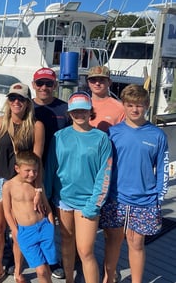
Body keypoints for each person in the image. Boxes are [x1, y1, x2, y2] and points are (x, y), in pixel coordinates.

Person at [100, 84, 169, 283]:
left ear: (146, 105)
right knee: (112, 241)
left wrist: (158, 197)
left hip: (145, 200)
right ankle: (108, 277)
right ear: (124, 106)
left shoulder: (157, 135)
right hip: (115, 197)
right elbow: (105, 167)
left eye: (139, 105)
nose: (134, 109)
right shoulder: (113, 133)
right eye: (130, 105)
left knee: (136, 243)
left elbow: (163, 168)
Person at [0, 82, 45, 283]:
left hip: (20, 184)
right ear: (8, 101)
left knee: (18, 229)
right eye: (12, 98)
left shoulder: (36, 126)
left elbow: (36, 161)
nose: (16, 102)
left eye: (21, 99)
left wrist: (38, 189)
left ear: (27, 102)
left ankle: (17, 270)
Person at [44, 91, 112, 283]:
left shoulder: (101, 138)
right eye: (75, 111)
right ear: (69, 113)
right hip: (62, 200)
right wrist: (47, 199)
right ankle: (69, 281)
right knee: (66, 243)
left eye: (83, 110)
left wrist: (94, 204)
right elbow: (50, 170)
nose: (79, 114)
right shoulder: (59, 137)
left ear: (90, 111)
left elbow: (104, 175)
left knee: (85, 250)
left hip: (88, 203)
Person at [32, 67, 70, 279]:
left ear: (55, 85)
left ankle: (59, 260)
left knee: (58, 219)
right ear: (33, 85)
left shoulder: (65, 108)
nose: (44, 87)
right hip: (33, 170)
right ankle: (28, 256)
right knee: (33, 217)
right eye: (40, 83)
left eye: (49, 83)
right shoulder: (25, 106)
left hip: (60, 172)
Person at [2, 150, 58, 283]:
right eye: (27, 170)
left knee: (47, 269)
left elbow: (47, 206)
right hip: (26, 233)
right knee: (40, 269)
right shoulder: (8, 186)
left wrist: (51, 224)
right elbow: (7, 211)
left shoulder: (37, 186)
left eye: (35, 171)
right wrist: (15, 231)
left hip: (44, 227)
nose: (32, 174)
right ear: (17, 168)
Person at [87, 65, 125, 132]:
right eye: (93, 80)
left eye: (102, 80)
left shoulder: (120, 108)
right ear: (88, 83)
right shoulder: (82, 105)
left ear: (109, 82)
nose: (97, 83)